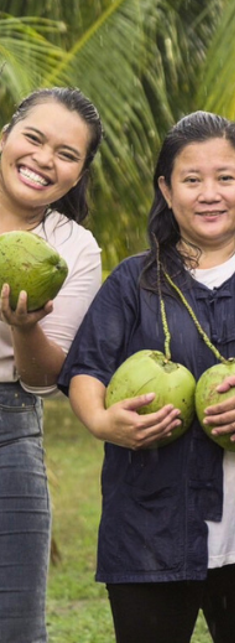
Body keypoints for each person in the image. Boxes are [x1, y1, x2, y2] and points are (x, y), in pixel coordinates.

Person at [58, 111, 235, 643]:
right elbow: (87, 368)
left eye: (226, 177)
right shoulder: (133, 281)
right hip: (150, 528)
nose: (209, 194)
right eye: (191, 180)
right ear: (167, 190)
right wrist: (103, 421)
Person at [0, 87, 104, 643]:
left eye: (67, 154)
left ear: (79, 173)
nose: (44, 159)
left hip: (9, 432)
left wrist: (22, 325)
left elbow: (43, 378)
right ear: (5, 139)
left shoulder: (74, 249)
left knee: (15, 628)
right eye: (33, 138)